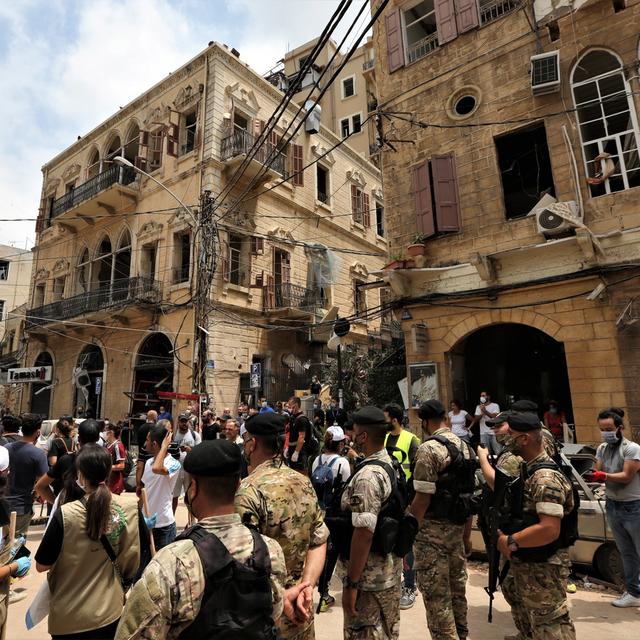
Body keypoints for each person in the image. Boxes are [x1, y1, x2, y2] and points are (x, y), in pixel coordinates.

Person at [116, 439, 312, 639]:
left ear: (193, 489)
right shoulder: (271, 551)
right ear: (238, 485)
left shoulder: (172, 563)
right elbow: (272, 618)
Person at [236, 412, 329, 640]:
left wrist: (282, 598)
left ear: (252, 444)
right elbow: (319, 540)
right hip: (300, 610)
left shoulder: (248, 491)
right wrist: (307, 585)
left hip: (266, 618)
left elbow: (243, 566)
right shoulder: (303, 482)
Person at [35, 445, 141, 640]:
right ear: (109, 471)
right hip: (110, 610)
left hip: (69, 617)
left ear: (80, 474)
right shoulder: (129, 507)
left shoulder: (65, 514)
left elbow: (42, 565)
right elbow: (131, 558)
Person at [496, 412, 576, 639]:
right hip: (529, 560)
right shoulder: (528, 470)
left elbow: (549, 529)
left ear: (524, 439)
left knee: (550, 623)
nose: (505, 438)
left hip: (544, 565)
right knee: (531, 619)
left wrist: (509, 541)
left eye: (510, 434)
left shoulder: (544, 478)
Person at [410, 400, 475, 640]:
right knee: (458, 592)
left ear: (424, 422)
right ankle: (462, 635)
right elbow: (469, 498)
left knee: (437, 598)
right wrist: (467, 536)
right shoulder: (466, 446)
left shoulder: (429, 449)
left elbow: (422, 499)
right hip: (457, 533)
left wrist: (409, 531)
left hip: (430, 536)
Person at [339, 406, 402, 639]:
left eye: (353, 431)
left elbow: (364, 533)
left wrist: (351, 585)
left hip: (368, 580)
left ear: (363, 436)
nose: (350, 436)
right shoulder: (389, 462)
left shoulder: (367, 477)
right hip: (387, 572)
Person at [587, 407, 640, 607]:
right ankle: (634, 593)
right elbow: (597, 470)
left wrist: (604, 477)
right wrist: (592, 475)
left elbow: (627, 476)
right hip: (613, 506)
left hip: (634, 506)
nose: (606, 433)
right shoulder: (602, 449)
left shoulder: (632, 448)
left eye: (609, 428)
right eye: (602, 429)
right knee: (626, 552)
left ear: (620, 427)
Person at [383, 403, 420, 610]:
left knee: (407, 544)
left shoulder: (411, 440)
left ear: (394, 420)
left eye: (385, 418)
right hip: (389, 497)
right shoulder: (385, 439)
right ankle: (394, 582)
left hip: (406, 498)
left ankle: (409, 586)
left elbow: (419, 470)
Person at [312, 426, 351, 613]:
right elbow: (347, 490)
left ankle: (321, 590)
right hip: (337, 515)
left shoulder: (316, 461)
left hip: (320, 513)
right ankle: (327, 592)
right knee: (335, 552)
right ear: (340, 443)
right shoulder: (343, 463)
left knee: (320, 550)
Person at [35, 419, 102, 507]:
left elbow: (40, 486)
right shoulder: (104, 458)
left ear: (79, 438)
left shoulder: (66, 459)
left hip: (68, 510)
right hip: (97, 509)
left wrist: (57, 503)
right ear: (98, 438)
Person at [4, 414, 48, 539]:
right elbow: (42, 483)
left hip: (3, 504)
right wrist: (35, 496)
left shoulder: (7, 448)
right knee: (17, 546)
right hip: (22, 507)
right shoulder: (38, 454)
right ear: (38, 432)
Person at [142, 423, 181, 549]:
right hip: (146, 523)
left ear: (154, 444)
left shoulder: (173, 464)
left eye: (147, 440)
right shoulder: (148, 462)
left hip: (164, 526)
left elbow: (157, 468)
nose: (144, 443)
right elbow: (146, 490)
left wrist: (164, 446)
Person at [135, 409, 158, 496]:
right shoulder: (157, 428)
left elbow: (138, 443)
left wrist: (138, 484)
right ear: (155, 418)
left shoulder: (141, 428)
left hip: (143, 458)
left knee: (143, 490)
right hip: (155, 461)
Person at [287, 396, 312, 473]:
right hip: (292, 448)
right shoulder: (292, 418)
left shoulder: (302, 419)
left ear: (296, 405)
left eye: (290, 405)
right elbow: (290, 434)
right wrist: (287, 448)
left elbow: (301, 437)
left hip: (300, 451)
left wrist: (296, 452)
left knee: (301, 473)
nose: (289, 408)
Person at [106, 423, 126, 495]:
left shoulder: (118, 446)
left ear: (111, 433)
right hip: (107, 482)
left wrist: (106, 468)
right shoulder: (106, 445)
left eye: (106, 430)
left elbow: (121, 465)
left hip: (115, 483)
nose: (104, 432)